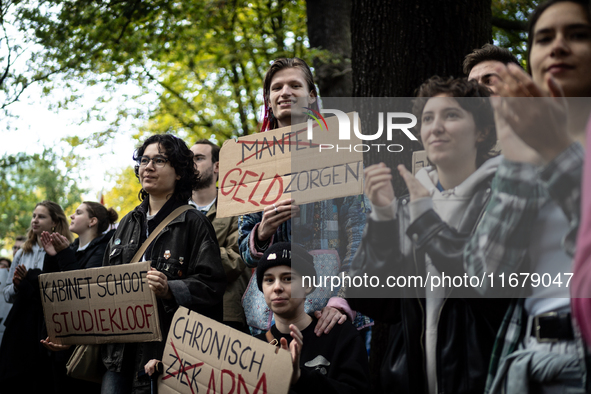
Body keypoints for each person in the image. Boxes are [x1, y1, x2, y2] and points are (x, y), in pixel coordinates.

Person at [460, 1, 591, 392]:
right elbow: (482, 275)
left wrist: (555, 154)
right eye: (544, 38)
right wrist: (519, 165)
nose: (558, 46)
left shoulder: (550, 146)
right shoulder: (522, 151)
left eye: (578, 34)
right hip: (527, 359)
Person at [348, 76, 508, 394]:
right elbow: (372, 300)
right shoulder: (406, 205)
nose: (435, 127)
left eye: (451, 115)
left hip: (487, 380)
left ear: (483, 131)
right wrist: (381, 219)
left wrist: (424, 219)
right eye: (427, 118)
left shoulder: (506, 199)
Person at [238, 57, 370, 336]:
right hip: (272, 315)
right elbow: (244, 252)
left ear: (311, 96)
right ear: (269, 99)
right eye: (276, 88)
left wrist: (343, 299)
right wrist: (263, 231)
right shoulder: (252, 161)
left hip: (330, 313)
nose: (284, 92)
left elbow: (361, 231)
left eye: (294, 85)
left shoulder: (339, 149)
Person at [100, 133, 226, 394]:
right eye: (144, 160)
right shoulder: (125, 224)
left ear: (179, 171)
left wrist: (171, 289)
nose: (148, 167)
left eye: (159, 160)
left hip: (164, 355)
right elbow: (102, 289)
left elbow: (212, 286)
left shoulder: (194, 223)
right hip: (118, 357)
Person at [254, 242, 370, 393]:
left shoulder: (340, 336)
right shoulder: (255, 347)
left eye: (287, 278)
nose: (277, 287)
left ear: (308, 285)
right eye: (269, 280)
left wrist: (300, 378)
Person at [39, 201, 118, 393]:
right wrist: (52, 255)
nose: (72, 216)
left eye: (78, 213)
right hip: (60, 338)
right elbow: (52, 287)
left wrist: (64, 253)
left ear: (92, 221)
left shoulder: (102, 250)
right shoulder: (71, 248)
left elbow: (82, 290)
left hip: (82, 346)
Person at [0, 201, 73, 393]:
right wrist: (17, 286)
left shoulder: (65, 250)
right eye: (34, 216)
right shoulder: (23, 251)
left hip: (46, 329)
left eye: (41, 216)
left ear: (54, 222)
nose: (35, 220)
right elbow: (7, 295)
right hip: (20, 328)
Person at [189, 139, 251, 333]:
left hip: (226, 314)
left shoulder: (237, 206)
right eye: (189, 159)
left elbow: (237, 258)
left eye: (199, 158)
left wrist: (187, 255)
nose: (192, 164)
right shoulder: (176, 210)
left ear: (217, 166)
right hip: (183, 311)